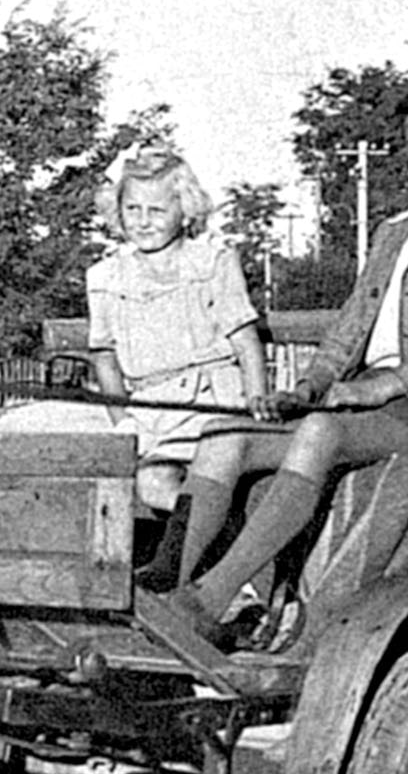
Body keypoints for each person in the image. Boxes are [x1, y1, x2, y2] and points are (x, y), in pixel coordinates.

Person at [158, 74, 408, 647]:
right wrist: (310, 385)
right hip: (374, 408)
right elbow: (347, 332)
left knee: (317, 434)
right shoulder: (396, 230)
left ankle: (209, 600)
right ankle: (166, 588)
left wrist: (382, 386)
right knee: (222, 437)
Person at [81, 151, 271, 511]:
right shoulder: (105, 276)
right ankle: (201, 542)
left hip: (209, 404)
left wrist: (256, 404)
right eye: (133, 209)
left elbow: (246, 342)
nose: (143, 222)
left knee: (155, 482)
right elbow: (103, 357)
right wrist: (122, 420)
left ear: (184, 211)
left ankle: (212, 545)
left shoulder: (211, 262)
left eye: (157, 211)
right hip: (145, 412)